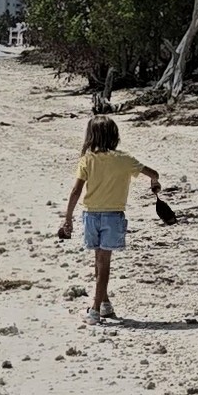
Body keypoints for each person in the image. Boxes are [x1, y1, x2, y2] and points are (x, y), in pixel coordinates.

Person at [57, 115, 161, 325]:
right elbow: (154, 173)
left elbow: (76, 190)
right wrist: (154, 184)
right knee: (102, 263)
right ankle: (103, 304)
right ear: (115, 136)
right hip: (113, 216)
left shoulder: (87, 159)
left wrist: (67, 217)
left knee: (99, 262)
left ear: (91, 136)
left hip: (91, 216)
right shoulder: (124, 160)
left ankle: (94, 310)